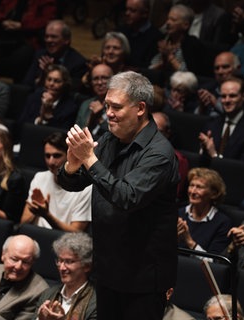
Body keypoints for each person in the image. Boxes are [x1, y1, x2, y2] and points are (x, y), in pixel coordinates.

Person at [58, 71, 179, 319]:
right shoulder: (109, 138)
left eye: (116, 107)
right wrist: (72, 164)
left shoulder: (160, 154)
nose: (108, 113)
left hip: (142, 278)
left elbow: (126, 197)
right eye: (107, 106)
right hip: (108, 269)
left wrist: (89, 159)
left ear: (140, 108)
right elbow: (73, 183)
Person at [20, 132, 92, 232]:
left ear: (70, 155)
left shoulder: (85, 188)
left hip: (63, 242)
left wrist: (47, 215)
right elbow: (23, 223)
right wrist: (36, 211)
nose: (51, 162)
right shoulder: (39, 177)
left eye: (57, 156)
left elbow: (76, 233)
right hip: (36, 234)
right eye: (47, 156)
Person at [198, 76, 244, 164]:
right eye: (223, 96)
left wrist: (214, 155)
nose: (227, 100)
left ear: (243, 97)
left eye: (232, 96)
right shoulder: (211, 125)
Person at [35, 232, 96, 320]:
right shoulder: (48, 294)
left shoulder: (96, 302)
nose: (62, 268)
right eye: (60, 261)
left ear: (86, 266)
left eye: (69, 261)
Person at [148, 4, 211, 85]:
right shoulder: (162, 41)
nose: (168, 23)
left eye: (173, 20)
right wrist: (163, 59)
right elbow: (149, 70)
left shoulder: (193, 45)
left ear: (186, 25)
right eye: (168, 19)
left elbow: (189, 76)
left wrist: (170, 56)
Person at [177, 168, 232, 254]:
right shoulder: (177, 213)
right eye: (191, 185)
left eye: (199, 187)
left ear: (214, 193)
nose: (192, 191)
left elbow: (214, 263)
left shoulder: (222, 223)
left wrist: (189, 241)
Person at [23, 20, 87, 89]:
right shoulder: (40, 55)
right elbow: (27, 84)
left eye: (54, 37)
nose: (49, 40)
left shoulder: (78, 63)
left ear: (66, 40)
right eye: (46, 37)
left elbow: (70, 91)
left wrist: (51, 72)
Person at [18, 64, 78, 131]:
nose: (51, 84)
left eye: (57, 81)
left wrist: (48, 116)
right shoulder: (33, 98)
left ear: (65, 84)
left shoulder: (70, 107)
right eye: (49, 79)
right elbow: (20, 124)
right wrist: (39, 120)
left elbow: (61, 134)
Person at [117, 0, 161, 69]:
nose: (127, 13)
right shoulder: (121, 32)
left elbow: (149, 67)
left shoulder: (156, 37)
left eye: (133, 10)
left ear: (145, 13)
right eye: (127, 9)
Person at [196, 51, 241, 117]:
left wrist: (215, 103)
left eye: (225, 67)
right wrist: (201, 107)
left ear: (237, 68)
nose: (220, 72)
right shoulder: (207, 88)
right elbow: (193, 117)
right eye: (217, 68)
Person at [75, 63, 113, 139]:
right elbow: (77, 134)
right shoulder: (86, 104)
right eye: (96, 79)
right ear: (91, 82)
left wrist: (101, 119)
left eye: (104, 78)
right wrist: (91, 118)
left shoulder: (118, 105)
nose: (100, 82)